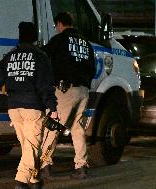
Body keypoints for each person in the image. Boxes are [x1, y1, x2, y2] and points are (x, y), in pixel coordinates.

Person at [0, 22, 59, 189]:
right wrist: (53, 108)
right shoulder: (40, 56)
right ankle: (21, 181)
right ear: (35, 37)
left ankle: (34, 181)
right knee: (32, 146)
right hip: (32, 107)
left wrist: (5, 87)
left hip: (14, 108)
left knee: (27, 146)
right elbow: (46, 85)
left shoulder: (11, 55)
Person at [40, 12, 96, 179]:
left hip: (65, 90)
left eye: (56, 26)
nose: (56, 29)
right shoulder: (86, 43)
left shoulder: (60, 40)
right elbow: (92, 69)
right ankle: (81, 166)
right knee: (77, 128)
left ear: (59, 23)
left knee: (52, 126)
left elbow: (43, 54)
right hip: (83, 91)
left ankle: (45, 164)